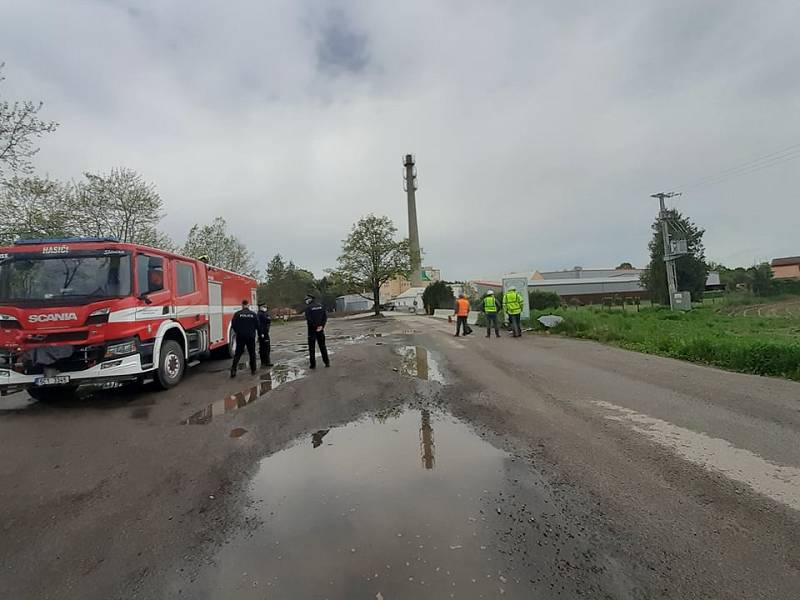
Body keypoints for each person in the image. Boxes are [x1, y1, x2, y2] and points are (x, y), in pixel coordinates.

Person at [230, 299, 258, 377]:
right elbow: (257, 325)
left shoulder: (237, 314)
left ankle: (233, 370)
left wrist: (238, 332)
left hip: (241, 336)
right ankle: (253, 369)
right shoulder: (253, 314)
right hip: (250, 336)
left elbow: (233, 325)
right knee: (252, 353)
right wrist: (252, 331)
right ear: (248, 305)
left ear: (242, 305)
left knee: (238, 354)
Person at [304, 294, 330, 369]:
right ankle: (327, 362)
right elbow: (325, 317)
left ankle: (313, 364)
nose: (306, 301)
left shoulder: (308, 308)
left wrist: (315, 327)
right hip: (320, 330)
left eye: (306, 299)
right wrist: (321, 326)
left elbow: (309, 319)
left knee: (312, 348)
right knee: (323, 347)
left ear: (310, 299)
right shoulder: (321, 306)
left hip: (312, 330)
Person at [257, 302, 272, 367]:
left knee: (265, 347)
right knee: (265, 348)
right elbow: (267, 320)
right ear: (260, 307)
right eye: (264, 306)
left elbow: (268, 320)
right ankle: (266, 362)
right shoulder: (260, 314)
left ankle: (265, 362)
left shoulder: (263, 313)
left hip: (264, 332)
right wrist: (261, 333)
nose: (265, 308)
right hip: (263, 333)